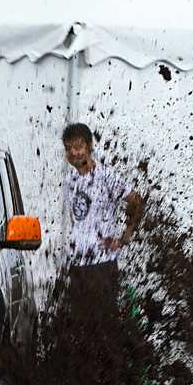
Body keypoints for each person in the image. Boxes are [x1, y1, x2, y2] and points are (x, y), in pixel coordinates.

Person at [61, 123, 144, 322]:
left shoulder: (105, 176)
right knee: (79, 326)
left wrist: (124, 239)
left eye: (78, 146)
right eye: (68, 148)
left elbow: (137, 202)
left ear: (90, 146)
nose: (73, 152)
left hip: (102, 266)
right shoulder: (69, 180)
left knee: (104, 325)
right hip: (77, 265)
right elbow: (76, 219)